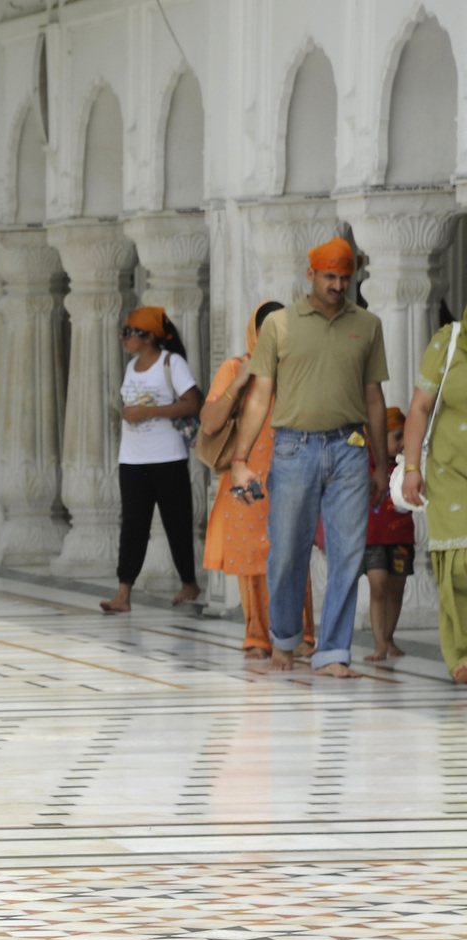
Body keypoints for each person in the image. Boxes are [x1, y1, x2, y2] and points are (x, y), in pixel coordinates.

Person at [231, 238, 390, 676]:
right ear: (311, 276)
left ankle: (334, 651)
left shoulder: (368, 325)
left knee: (348, 554)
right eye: (330, 277)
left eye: (345, 277)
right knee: (286, 552)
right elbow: (260, 397)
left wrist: (382, 465)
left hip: (351, 451)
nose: (339, 285)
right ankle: (284, 639)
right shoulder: (280, 325)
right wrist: (240, 460)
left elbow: (374, 399)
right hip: (293, 448)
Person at [101, 306, 204, 614]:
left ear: (147, 337)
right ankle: (123, 593)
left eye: (128, 332)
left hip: (167, 457)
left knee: (177, 523)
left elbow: (192, 403)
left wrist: (148, 412)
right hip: (132, 459)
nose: (123, 337)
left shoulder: (172, 363)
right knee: (132, 525)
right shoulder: (132, 367)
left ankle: (189, 582)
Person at [203, 301, 285, 659]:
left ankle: (299, 635)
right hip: (245, 475)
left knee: (288, 554)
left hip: (288, 472)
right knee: (250, 557)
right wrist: (240, 380)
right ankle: (257, 636)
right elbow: (209, 423)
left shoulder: (297, 369)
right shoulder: (235, 367)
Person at [400, 317, 467, 682]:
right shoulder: (451, 340)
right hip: (450, 470)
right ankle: (461, 650)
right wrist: (412, 467)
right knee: (457, 562)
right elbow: (420, 408)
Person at [361, 406, 414, 663]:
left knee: (396, 589)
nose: (403, 443)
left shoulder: (408, 466)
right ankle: (379, 644)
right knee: (378, 587)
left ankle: (388, 637)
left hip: (401, 537)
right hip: (372, 539)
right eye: (397, 437)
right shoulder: (365, 464)